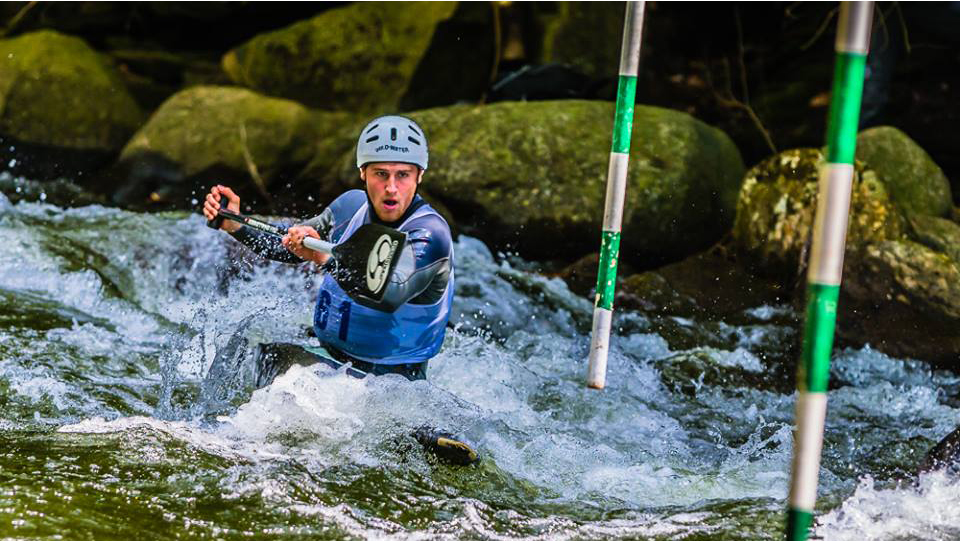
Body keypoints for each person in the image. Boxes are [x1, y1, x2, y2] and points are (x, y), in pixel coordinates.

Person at [201, 115, 454, 382]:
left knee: (277, 370)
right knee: (258, 358)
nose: (391, 188)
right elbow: (288, 246)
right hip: (331, 357)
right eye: (380, 174)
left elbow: (390, 292)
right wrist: (235, 225)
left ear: (420, 176)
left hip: (392, 383)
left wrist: (324, 257)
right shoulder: (349, 206)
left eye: (403, 175)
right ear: (362, 173)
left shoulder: (429, 232)